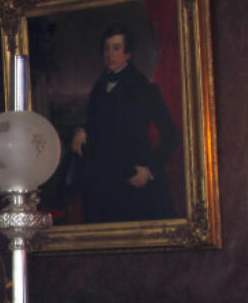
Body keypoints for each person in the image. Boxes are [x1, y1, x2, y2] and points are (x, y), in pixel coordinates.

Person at [69, 23, 180, 223]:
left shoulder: (144, 89)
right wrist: (82, 129)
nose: (110, 54)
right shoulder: (100, 87)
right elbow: (100, 123)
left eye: (117, 48)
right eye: (107, 48)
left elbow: (172, 136)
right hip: (103, 181)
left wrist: (149, 170)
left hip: (135, 177)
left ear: (128, 53)